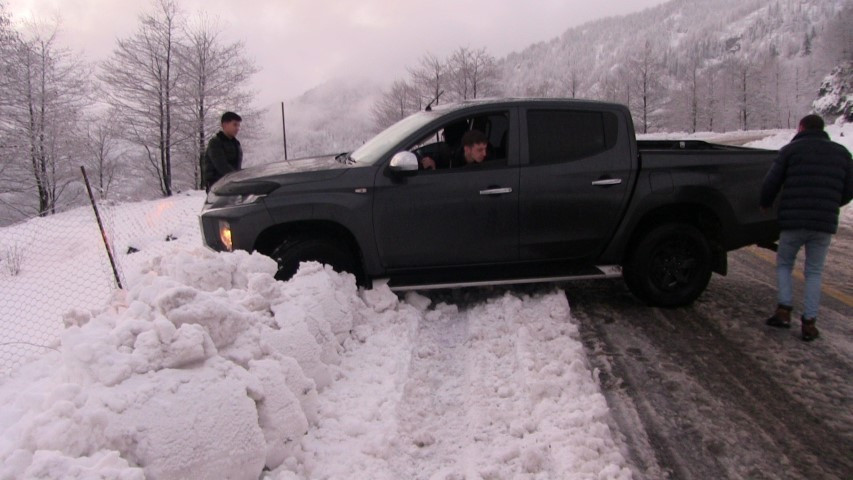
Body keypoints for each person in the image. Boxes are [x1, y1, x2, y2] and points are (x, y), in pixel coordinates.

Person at [760, 114, 853, 341]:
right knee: (814, 271)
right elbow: (850, 189)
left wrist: (765, 202)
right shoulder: (842, 153)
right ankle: (809, 323)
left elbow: (772, 181)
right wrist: (831, 203)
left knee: (784, 264)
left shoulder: (790, 151)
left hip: (793, 220)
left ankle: (784, 311)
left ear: (801, 128)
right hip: (823, 224)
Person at [203, 111, 243, 191]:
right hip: (217, 187)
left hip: (232, 184)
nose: (237, 128)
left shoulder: (236, 143)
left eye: (238, 125)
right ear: (225, 125)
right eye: (235, 125)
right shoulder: (215, 143)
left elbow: (237, 166)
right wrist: (237, 177)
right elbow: (222, 166)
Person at [420, 129, 489, 170]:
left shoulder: (490, 164)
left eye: (485, 149)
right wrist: (433, 167)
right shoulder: (451, 158)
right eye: (480, 150)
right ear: (467, 149)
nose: (484, 154)